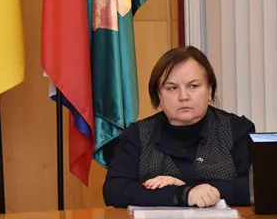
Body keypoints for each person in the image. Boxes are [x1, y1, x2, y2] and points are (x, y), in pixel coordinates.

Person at [103, 46, 255, 209]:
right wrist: (182, 194)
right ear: (159, 96)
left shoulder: (236, 129)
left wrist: (201, 191)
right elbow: (114, 190)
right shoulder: (138, 134)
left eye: (193, 86)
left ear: (210, 90)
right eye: (172, 88)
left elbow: (256, 186)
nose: (183, 97)